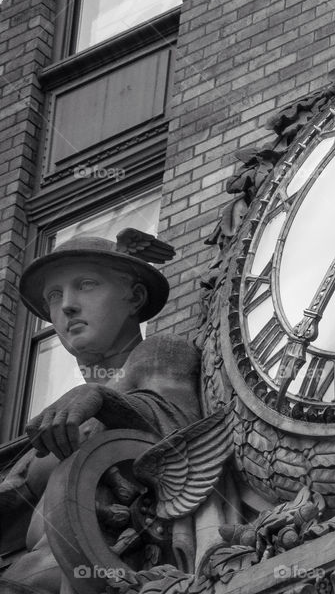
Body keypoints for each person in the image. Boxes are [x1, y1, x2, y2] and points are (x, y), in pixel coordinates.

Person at [0, 230, 200, 594]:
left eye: (86, 285)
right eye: (54, 295)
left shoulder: (158, 352)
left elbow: (180, 428)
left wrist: (102, 400)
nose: (67, 306)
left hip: (96, 574)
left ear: (134, 297)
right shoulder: (57, 418)